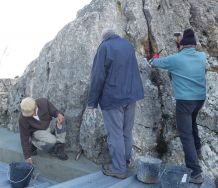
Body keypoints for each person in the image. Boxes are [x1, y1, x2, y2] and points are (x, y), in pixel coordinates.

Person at [150, 28, 206, 184]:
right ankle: (198, 150)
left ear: (182, 44)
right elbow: (194, 53)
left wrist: (154, 56)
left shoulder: (175, 59)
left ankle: (195, 173)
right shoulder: (202, 57)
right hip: (199, 99)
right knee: (193, 123)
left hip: (185, 101)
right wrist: (183, 46)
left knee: (185, 135)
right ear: (194, 44)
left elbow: (154, 63)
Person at [87, 30, 144, 179]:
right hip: (131, 96)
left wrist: (92, 102)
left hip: (113, 98)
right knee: (127, 132)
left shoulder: (104, 47)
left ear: (104, 38)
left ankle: (119, 169)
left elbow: (98, 76)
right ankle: (124, 162)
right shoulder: (127, 45)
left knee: (115, 135)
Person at [19, 97, 68, 164]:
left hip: (48, 125)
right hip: (37, 132)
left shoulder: (43, 102)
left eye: (31, 112)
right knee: (52, 140)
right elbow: (24, 138)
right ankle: (34, 143)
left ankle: (59, 147)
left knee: (61, 120)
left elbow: (54, 111)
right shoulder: (22, 118)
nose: (30, 115)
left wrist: (59, 114)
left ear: (35, 105)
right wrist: (27, 157)